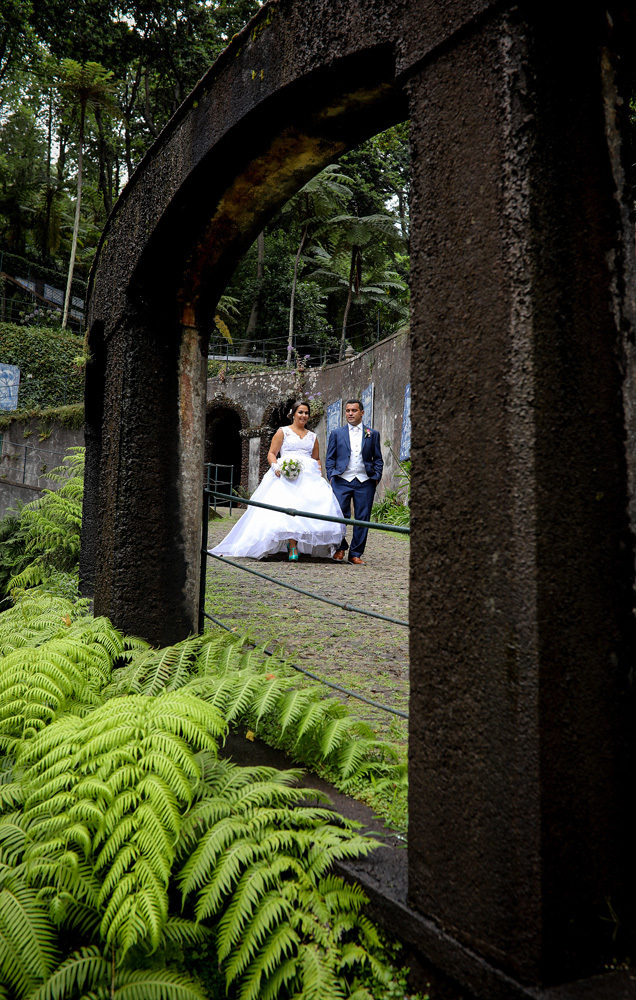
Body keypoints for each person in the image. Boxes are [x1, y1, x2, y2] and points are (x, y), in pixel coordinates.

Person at [210, 400, 344, 561]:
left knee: (307, 510)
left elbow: (316, 459)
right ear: (293, 414)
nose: (304, 415)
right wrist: (276, 468)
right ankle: (292, 546)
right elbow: (272, 453)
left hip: (308, 478)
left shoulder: (313, 437)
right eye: (300, 412)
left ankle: (298, 544)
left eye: (306, 413)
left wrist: (318, 474)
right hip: (285, 476)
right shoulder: (283, 432)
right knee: (288, 508)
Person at [325, 399, 383, 565]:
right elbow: (330, 458)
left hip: (365, 481)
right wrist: (331, 476)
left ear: (362, 413)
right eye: (348, 410)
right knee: (339, 515)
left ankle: (355, 554)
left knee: (362, 517)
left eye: (354, 410)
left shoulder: (373, 434)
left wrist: (376, 477)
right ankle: (340, 548)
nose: (350, 413)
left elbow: (378, 458)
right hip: (342, 479)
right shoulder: (336, 433)